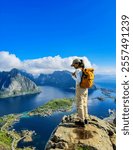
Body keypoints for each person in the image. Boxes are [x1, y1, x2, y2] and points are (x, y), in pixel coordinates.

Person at [71, 58, 88, 127]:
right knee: (84, 103)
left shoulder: (78, 70)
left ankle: (81, 121)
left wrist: (72, 77)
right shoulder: (83, 70)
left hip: (80, 88)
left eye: (74, 65)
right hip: (85, 89)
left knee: (79, 104)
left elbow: (78, 81)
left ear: (77, 64)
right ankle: (86, 119)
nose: (73, 66)